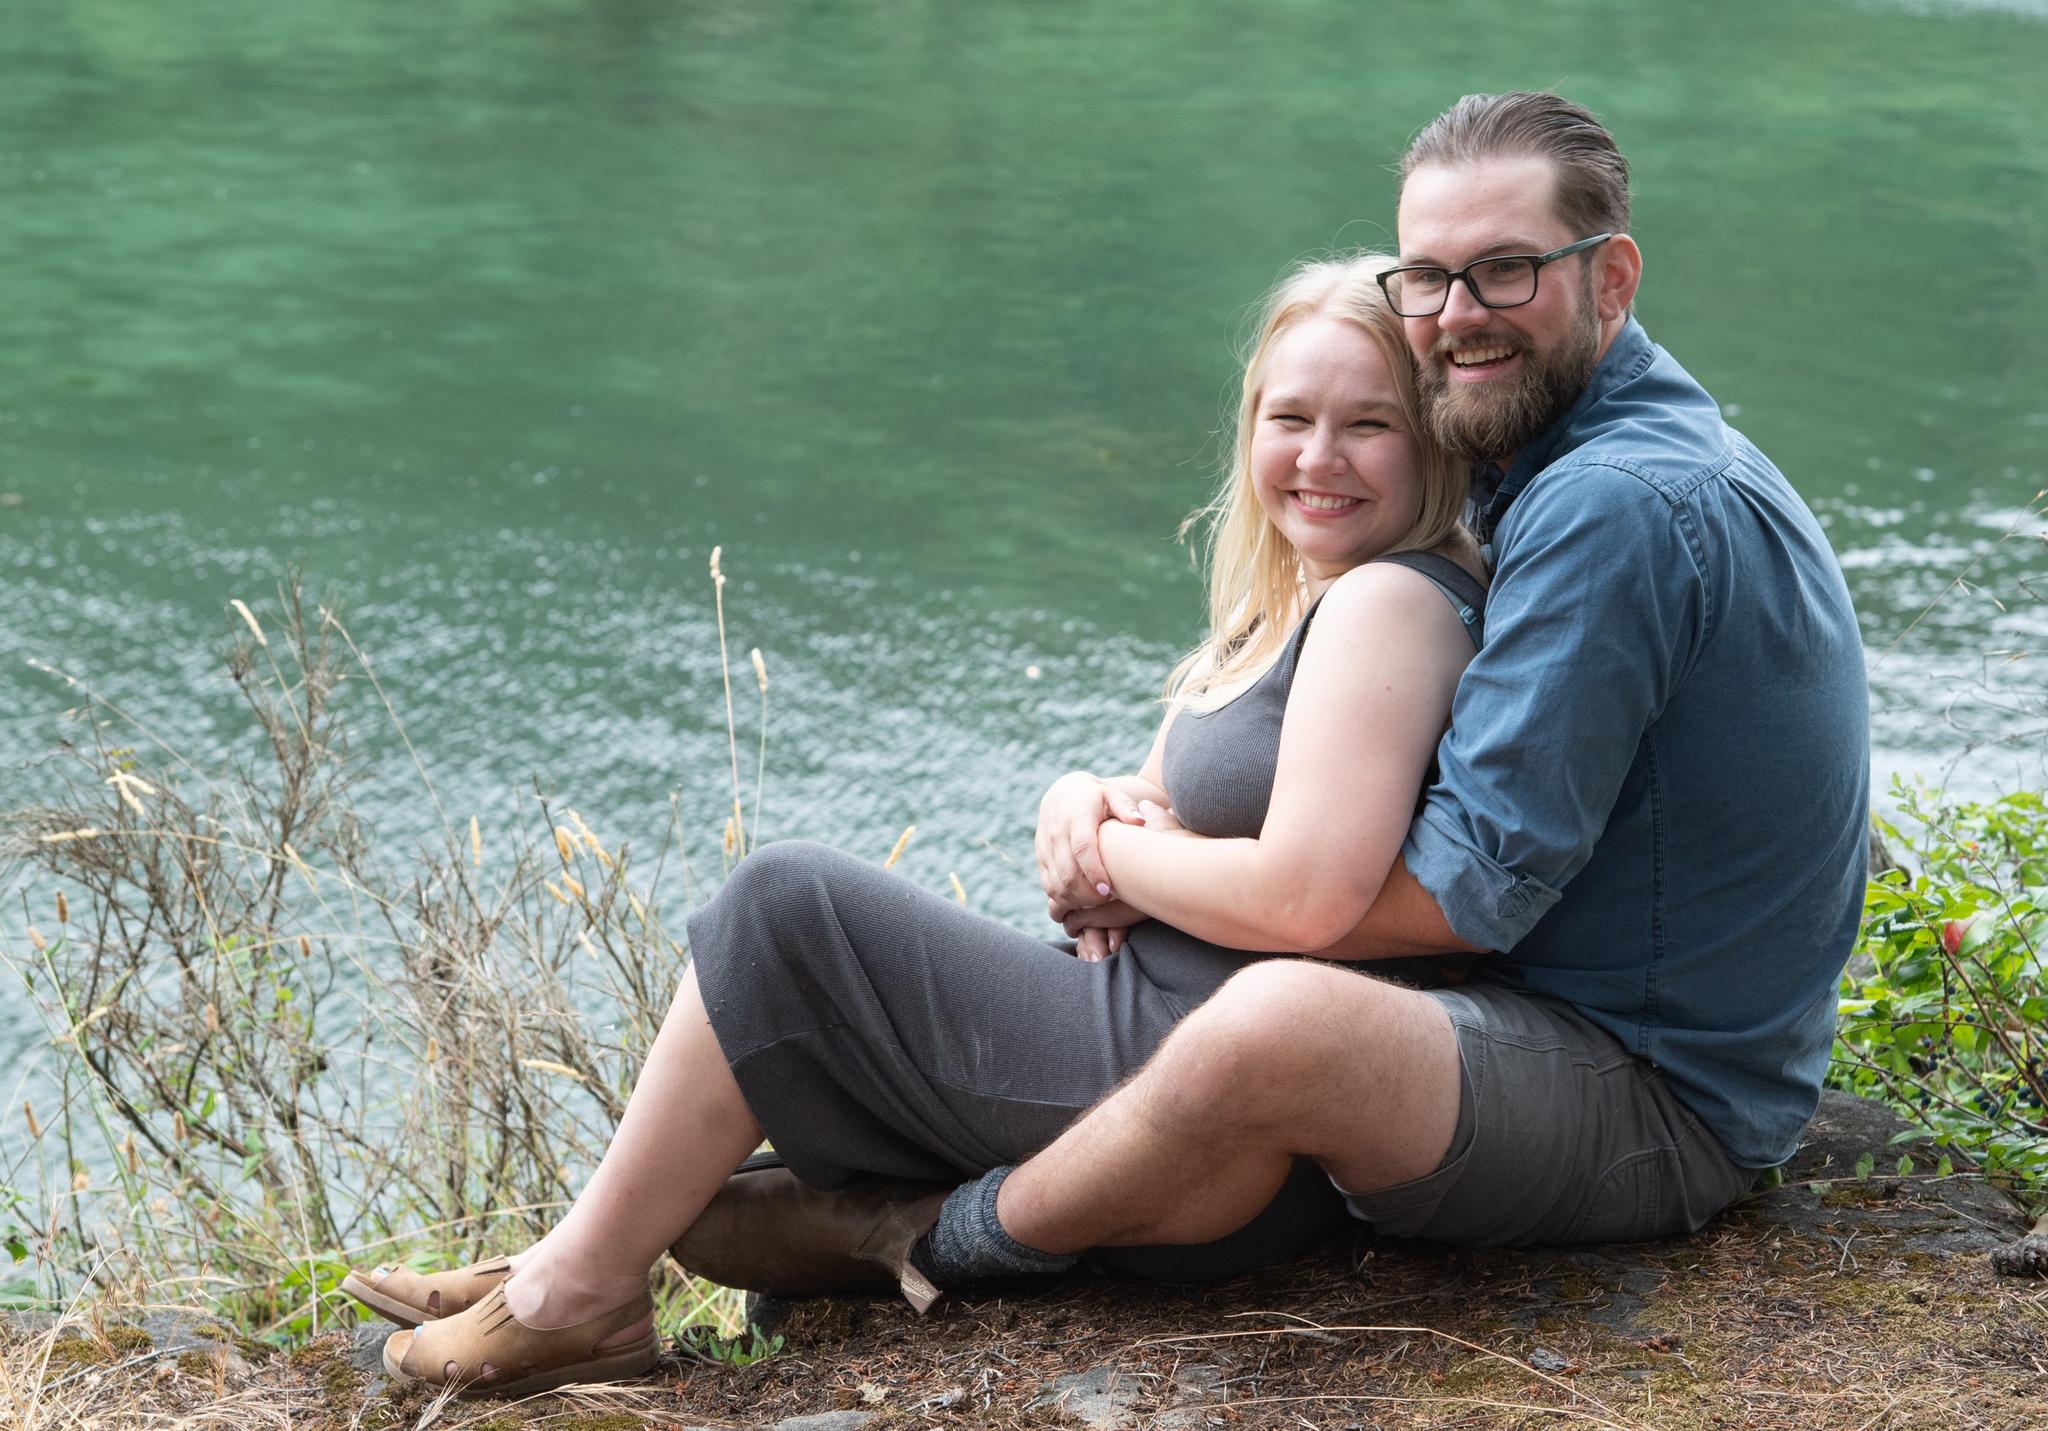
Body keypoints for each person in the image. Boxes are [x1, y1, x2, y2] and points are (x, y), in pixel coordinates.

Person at [647, 90, 1868, 1300]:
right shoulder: (1541, 455)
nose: (1455, 315)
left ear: (1609, 279)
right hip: (1548, 1039)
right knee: (1228, 1017)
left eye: (1504, 271)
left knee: (1281, 1023)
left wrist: (1126, 857)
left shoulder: (1612, 503)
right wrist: (1112, 801)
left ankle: (950, 1238)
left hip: (1648, 1092)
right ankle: (607, 1264)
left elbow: (1460, 892)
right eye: (1426, 277)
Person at [347, 250, 1491, 1396]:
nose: (1316, 456)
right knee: (748, 1130)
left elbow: (1304, 893)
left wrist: (1122, 857)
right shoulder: (1296, 593)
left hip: (1192, 1079)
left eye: (1368, 425)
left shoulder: (1389, 602)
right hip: (1146, 1030)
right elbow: (1159, 820)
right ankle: (576, 1258)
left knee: (783, 908)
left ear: (1433, 439)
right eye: (1288, 416)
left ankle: (575, 1296)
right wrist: (1084, 804)